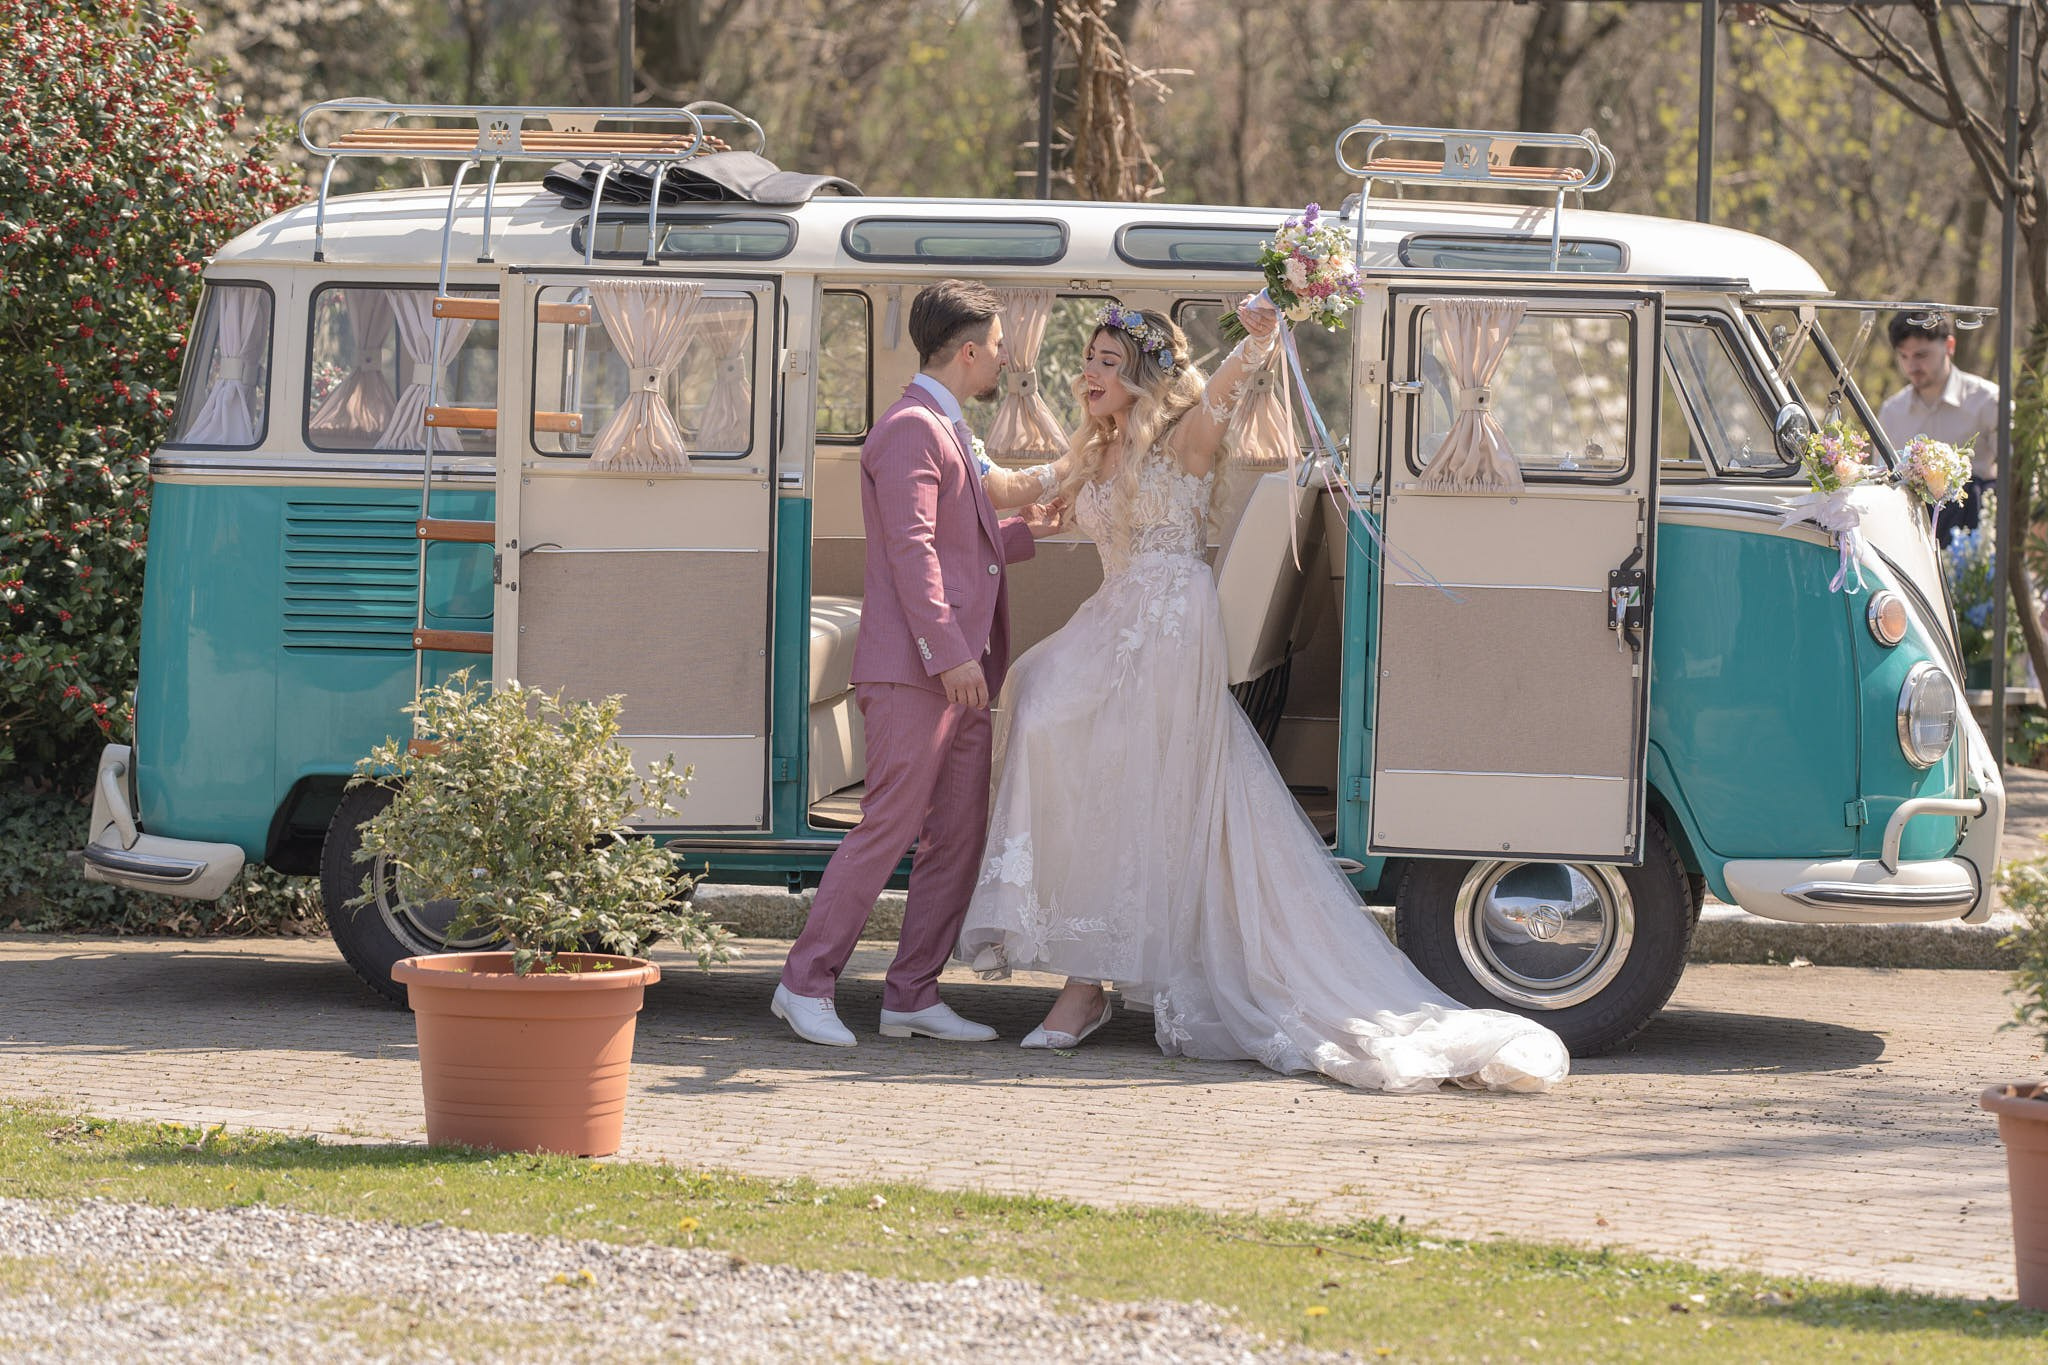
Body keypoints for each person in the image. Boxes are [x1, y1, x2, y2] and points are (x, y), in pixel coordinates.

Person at [957, 297, 1570, 1094]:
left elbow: (1228, 389)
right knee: (1036, 697)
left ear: (1145, 377)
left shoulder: (1186, 437)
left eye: (1109, 364)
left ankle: (1088, 985)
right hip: (1113, 616)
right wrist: (954, 451)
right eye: (1088, 361)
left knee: (1119, 766)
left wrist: (1261, 332)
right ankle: (1081, 961)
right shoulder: (1093, 448)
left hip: (1171, 620)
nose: (1088, 376)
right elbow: (1013, 486)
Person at [774, 280, 1065, 1048]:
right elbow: (912, 553)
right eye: (1000, 346)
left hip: (955, 671)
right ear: (968, 352)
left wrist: (1027, 527)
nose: (1005, 359)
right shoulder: (911, 428)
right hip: (917, 670)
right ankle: (803, 981)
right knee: (890, 825)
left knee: (959, 832)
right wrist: (949, 653)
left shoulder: (948, 423)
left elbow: (958, 539)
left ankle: (911, 992)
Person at [1878, 310, 2000, 545]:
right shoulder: (1891, 412)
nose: (1912, 366)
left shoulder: (1988, 401)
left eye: (1921, 355)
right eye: (1903, 356)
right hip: (1910, 538)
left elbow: (2017, 476)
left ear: (1949, 345)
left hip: (1974, 538)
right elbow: (1882, 481)